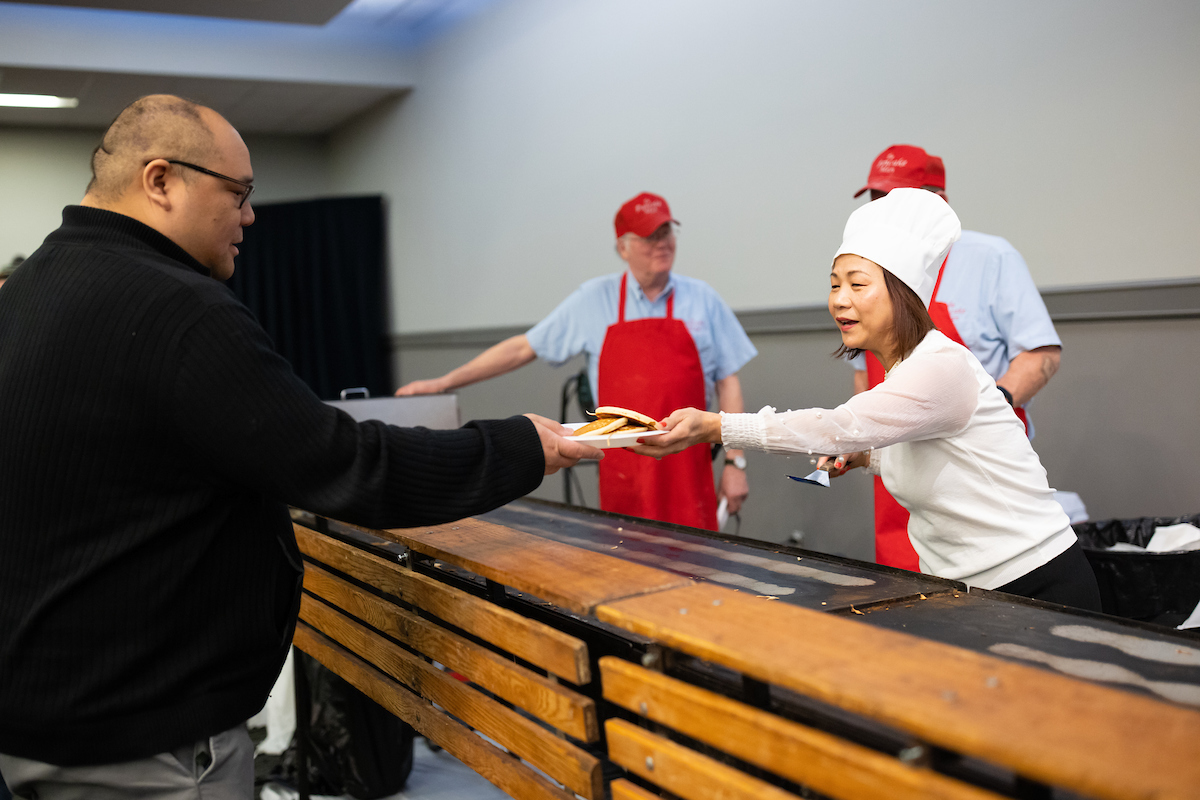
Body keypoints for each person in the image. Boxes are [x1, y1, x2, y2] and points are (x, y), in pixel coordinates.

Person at [0, 94, 601, 800]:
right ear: (160, 180)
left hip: (35, 722)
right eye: (239, 193)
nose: (250, 216)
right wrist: (521, 447)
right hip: (145, 743)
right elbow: (346, 466)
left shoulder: (28, 289)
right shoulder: (178, 308)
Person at [635, 189, 1100, 610]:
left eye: (857, 285)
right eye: (835, 284)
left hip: (1035, 583)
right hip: (968, 589)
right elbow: (943, 459)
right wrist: (867, 458)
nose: (839, 300)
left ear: (903, 295)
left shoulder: (940, 366)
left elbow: (833, 425)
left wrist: (717, 427)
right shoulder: (904, 371)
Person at [395, 192, 758, 531]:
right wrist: (442, 384)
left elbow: (728, 383)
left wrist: (734, 463)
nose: (662, 242)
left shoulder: (703, 300)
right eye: (649, 235)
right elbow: (523, 348)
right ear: (623, 247)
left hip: (687, 464)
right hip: (622, 466)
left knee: (697, 569)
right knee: (625, 562)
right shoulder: (593, 300)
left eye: (667, 231)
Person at [850, 145, 1063, 570]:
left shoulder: (990, 258)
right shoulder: (867, 272)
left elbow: (1041, 353)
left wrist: (994, 402)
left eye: (893, 201)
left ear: (937, 200)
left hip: (975, 478)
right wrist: (854, 439)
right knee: (902, 608)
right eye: (876, 201)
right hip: (897, 476)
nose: (880, 214)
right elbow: (864, 376)